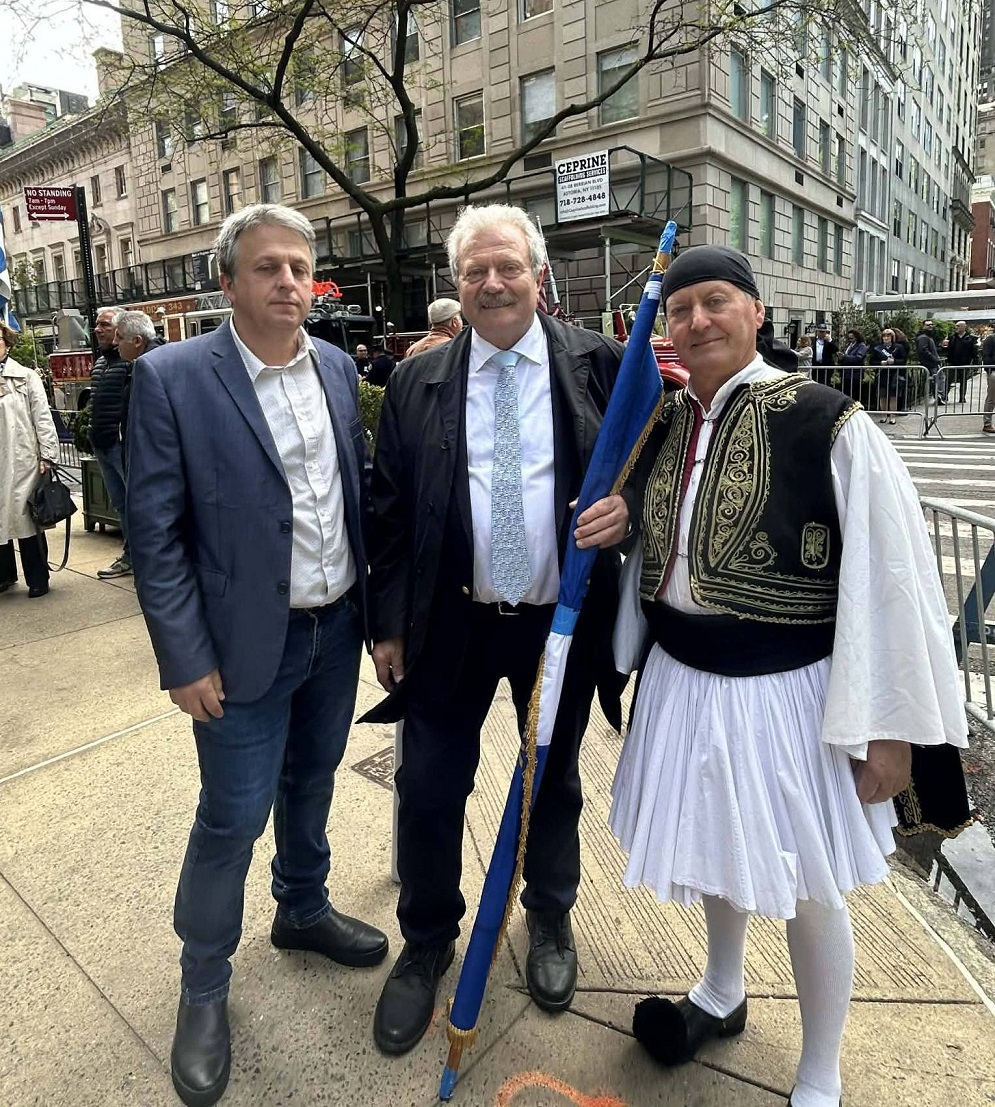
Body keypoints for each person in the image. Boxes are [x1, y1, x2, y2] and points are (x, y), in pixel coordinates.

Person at [583, 245, 968, 1107]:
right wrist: (621, 521)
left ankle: (819, 1068)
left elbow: (889, 581)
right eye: (681, 309)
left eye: (715, 301)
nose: (696, 321)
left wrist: (889, 728)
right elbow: (658, 533)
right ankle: (720, 991)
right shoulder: (663, 420)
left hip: (788, 691)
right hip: (681, 676)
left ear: (755, 312)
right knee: (713, 846)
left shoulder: (830, 421)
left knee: (809, 884)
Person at [125, 203, 388, 1107]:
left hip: (332, 630)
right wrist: (183, 656)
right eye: (268, 267)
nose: (287, 282)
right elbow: (155, 534)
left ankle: (301, 907)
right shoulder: (171, 377)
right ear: (228, 281)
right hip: (238, 649)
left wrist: (377, 614)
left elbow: (352, 495)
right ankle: (203, 984)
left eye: (299, 268)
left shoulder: (338, 367)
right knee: (232, 814)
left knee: (311, 781)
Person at [366, 202, 626, 1057]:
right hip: (450, 621)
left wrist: (626, 511)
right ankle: (426, 940)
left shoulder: (600, 364)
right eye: (474, 270)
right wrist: (386, 625)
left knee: (551, 782)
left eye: (507, 266)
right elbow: (388, 511)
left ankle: (548, 915)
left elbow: (649, 471)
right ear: (457, 283)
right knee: (429, 785)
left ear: (537, 275)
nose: (491, 282)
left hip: (557, 625)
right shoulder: (416, 382)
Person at [0, 322, 59, 598]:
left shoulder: (25, 376)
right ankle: (4, 575)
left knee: (27, 520)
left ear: (7, 343)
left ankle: (38, 577)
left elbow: (43, 417)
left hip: (22, 459)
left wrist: (47, 455)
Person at [89, 307, 134, 579]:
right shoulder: (100, 364)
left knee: (135, 503)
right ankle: (130, 556)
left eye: (105, 324)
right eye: (97, 324)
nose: (98, 329)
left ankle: (143, 558)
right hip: (102, 445)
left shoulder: (130, 363)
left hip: (122, 447)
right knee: (121, 504)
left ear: (119, 329)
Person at [114, 310, 166, 456]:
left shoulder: (149, 369)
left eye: (119, 337)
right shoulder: (151, 362)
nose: (114, 342)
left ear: (137, 341)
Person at [869, 326, 909, 424]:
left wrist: (894, 361)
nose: (886, 338)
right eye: (884, 336)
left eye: (888, 336)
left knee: (893, 396)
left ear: (892, 337)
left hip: (894, 375)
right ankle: (884, 415)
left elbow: (903, 361)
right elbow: (872, 361)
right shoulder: (877, 348)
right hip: (882, 375)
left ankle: (892, 416)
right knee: (882, 396)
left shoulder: (898, 347)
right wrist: (880, 363)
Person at [944, 320, 978, 404]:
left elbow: (974, 351)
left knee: (963, 380)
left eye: (958, 326)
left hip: (964, 363)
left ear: (964, 327)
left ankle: (962, 397)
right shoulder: (952, 337)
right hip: (952, 362)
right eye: (956, 326)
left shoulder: (970, 338)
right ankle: (944, 396)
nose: (956, 328)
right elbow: (947, 349)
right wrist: (944, 346)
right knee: (948, 380)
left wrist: (974, 363)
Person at [916, 319, 944, 403]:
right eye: (928, 325)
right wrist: (934, 359)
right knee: (937, 380)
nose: (930, 326)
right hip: (930, 364)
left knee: (937, 379)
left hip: (932, 363)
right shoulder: (923, 337)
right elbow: (923, 350)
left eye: (932, 324)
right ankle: (938, 396)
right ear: (923, 326)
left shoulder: (928, 337)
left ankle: (939, 396)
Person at [838, 328, 868, 402]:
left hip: (855, 375)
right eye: (849, 338)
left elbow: (858, 358)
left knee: (854, 396)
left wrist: (844, 357)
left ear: (857, 337)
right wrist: (841, 358)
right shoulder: (849, 346)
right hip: (846, 374)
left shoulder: (862, 346)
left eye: (852, 338)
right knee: (846, 395)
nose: (850, 340)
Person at [982, 329, 995, 434]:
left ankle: (987, 423)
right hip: (993, 371)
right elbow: (986, 356)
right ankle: (987, 423)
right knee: (991, 398)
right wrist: (989, 370)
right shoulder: (991, 339)